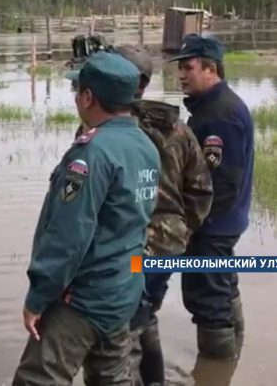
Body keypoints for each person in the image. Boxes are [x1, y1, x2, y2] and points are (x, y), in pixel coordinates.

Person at [12, 52, 161, 386]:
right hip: (123, 294)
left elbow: (68, 236)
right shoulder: (146, 147)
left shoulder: (92, 154)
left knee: (37, 379)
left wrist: (38, 297)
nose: (76, 96)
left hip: (82, 299)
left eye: (77, 89)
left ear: (89, 97)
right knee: (112, 379)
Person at [111, 45, 213, 386]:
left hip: (126, 251)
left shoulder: (105, 129)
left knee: (122, 330)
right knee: (145, 316)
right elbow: (200, 192)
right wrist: (180, 232)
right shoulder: (178, 129)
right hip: (167, 246)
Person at [165, 33, 253, 361]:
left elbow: (223, 184)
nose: (181, 75)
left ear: (210, 69)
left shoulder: (219, 114)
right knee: (222, 286)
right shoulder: (213, 106)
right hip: (222, 224)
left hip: (213, 226)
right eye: (180, 68)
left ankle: (216, 369)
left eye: (188, 67)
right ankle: (233, 359)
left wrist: (193, 226)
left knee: (207, 296)